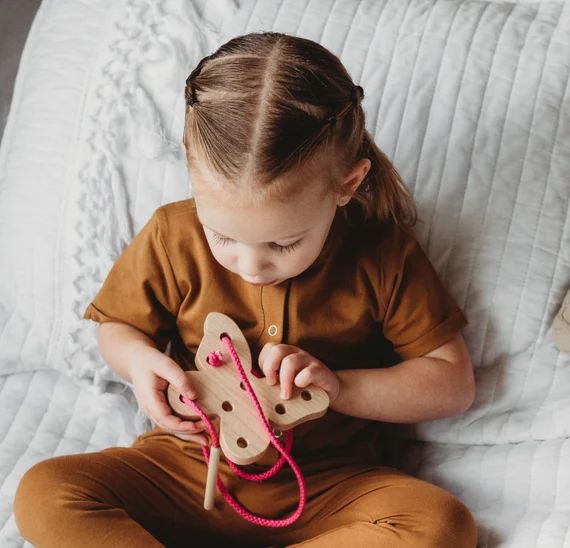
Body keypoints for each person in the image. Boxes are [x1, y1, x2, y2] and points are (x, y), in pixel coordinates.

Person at [14, 31, 477, 547]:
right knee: (45, 489)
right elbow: (118, 329)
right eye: (225, 237)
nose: (251, 265)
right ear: (192, 172)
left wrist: (339, 388)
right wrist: (141, 364)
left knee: (441, 525)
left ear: (347, 184)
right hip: (186, 470)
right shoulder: (173, 235)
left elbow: (450, 382)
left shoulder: (382, 254)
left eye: (284, 243)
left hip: (327, 486)